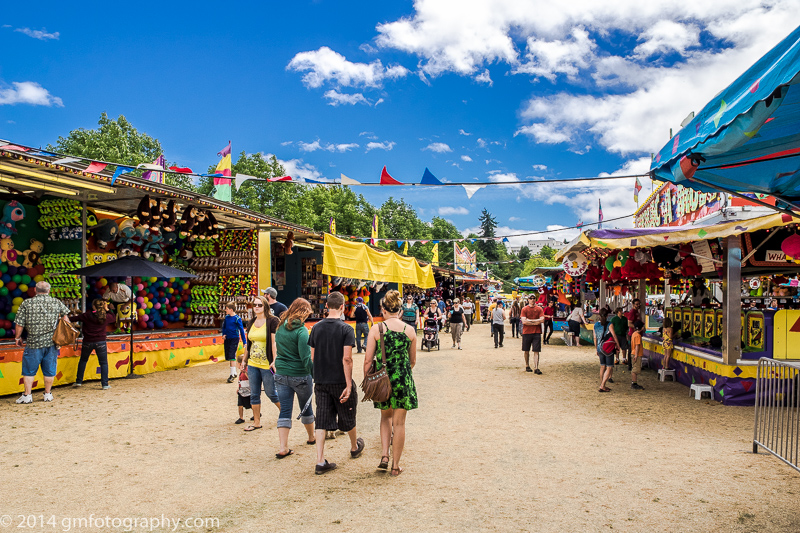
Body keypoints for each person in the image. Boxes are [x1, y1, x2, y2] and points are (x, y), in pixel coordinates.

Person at [308, 291, 364, 474]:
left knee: (321, 420)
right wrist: (348, 384)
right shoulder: (346, 329)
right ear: (342, 307)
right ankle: (354, 446)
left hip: (322, 380)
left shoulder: (316, 328)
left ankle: (319, 460)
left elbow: (313, 357)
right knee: (348, 415)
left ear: (326, 306)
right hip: (339, 379)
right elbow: (347, 359)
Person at [363, 290, 418, 476]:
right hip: (402, 380)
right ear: (400, 310)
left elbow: (368, 361)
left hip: (382, 381)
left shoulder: (376, 330)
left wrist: (368, 380)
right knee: (399, 424)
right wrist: (402, 371)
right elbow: (412, 361)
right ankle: (395, 466)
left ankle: (384, 456)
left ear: (383, 310)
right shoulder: (409, 331)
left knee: (385, 418)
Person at [14, 281, 71, 404]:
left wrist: (17, 338)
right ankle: (48, 394)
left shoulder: (27, 303)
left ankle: (27, 395)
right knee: (49, 370)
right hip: (52, 343)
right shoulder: (56, 302)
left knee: (29, 370)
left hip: (33, 342)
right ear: (49, 290)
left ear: (35, 290)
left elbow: (19, 323)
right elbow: (66, 318)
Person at [273, 298, 316, 458]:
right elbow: (306, 358)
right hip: (300, 375)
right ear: (304, 312)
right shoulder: (302, 331)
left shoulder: (280, 327)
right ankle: (311, 437)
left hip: (281, 373)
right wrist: (314, 374)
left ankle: (283, 446)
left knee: (285, 410)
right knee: (306, 406)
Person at [241, 296, 280, 431]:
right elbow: (248, 344)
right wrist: (244, 361)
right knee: (254, 393)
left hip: (266, 364)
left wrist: (274, 360)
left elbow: (274, 343)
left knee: (271, 393)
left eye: (259, 305)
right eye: (255, 305)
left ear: (265, 307)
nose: (256, 307)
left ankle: (285, 411)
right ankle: (256, 422)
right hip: (252, 363)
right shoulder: (251, 322)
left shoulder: (272, 321)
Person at [70, 299, 116, 390]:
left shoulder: (86, 315)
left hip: (87, 341)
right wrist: (107, 309)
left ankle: (79, 381)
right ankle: (105, 384)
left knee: (83, 360)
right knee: (103, 363)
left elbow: (73, 319)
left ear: (94, 306)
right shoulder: (106, 316)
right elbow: (113, 317)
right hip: (101, 342)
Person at [593, 308, 619, 393]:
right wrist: (618, 345)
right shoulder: (609, 324)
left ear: (599, 315)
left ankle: (602, 383)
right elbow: (614, 336)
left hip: (600, 347)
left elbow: (595, 338)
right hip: (608, 348)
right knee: (609, 367)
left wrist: (596, 348)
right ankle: (602, 385)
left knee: (602, 366)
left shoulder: (596, 325)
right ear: (607, 315)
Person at [221, 301, 247, 383]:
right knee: (229, 355)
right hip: (227, 338)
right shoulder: (226, 318)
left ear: (231, 310)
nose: (226, 310)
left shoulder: (237, 318)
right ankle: (234, 372)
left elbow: (241, 330)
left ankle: (232, 375)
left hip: (234, 338)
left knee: (232, 355)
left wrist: (244, 341)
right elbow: (224, 327)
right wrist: (224, 334)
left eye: (227, 309)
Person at [519, 294, 545, 374]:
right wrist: (536, 322)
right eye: (531, 298)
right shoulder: (524, 309)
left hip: (536, 332)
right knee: (526, 350)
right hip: (527, 332)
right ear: (528, 300)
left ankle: (536, 367)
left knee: (536, 350)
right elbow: (524, 321)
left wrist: (530, 321)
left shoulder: (539, 309)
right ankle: (527, 365)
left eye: (534, 298)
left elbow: (542, 320)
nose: (532, 300)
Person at [624, 299, 642, 368]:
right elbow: (629, 323)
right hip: (633, 333)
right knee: (632, 349)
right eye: (637, 304)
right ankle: (630, 364)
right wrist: (637, 328)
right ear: (633, 305)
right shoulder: (632, 312)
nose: (638, 305)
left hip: (636, 333)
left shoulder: (637, 312)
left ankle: (634, 363)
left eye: (639, 304)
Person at [630, 320, 645, 390]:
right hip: (637, 354)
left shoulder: (633, 334)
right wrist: (636, 355)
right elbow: (637, 345)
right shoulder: (638, 335)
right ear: (641, 328)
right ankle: (634, 383)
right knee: (635, 369)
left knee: (634, 368)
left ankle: (634, 382)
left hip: (633, 353)